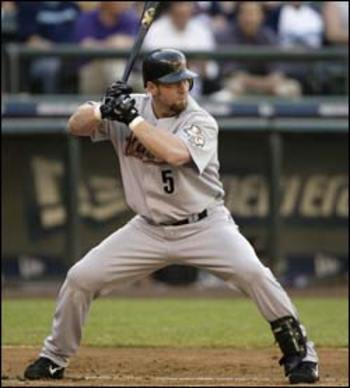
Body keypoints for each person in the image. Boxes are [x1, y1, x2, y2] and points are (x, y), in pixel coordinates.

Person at [23, 48, 319, 385]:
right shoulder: (128, 106)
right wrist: (101, 109)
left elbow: (176, 154)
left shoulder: (199, 119)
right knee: (80, 278)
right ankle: (54, 357)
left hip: (205, 225)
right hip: (146, 230)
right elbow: (74, 126)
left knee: (255, 274)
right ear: (151, 88)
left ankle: (302, 354)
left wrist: (130, 119)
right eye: (173, 83)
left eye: (185, 81)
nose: (183, 89)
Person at [214, 2, 301, 99]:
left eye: (254, 13)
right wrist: (265, 83)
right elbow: (234, 75)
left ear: (262, 16)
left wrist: (265, 83)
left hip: (266, 86)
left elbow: (277, 74)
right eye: (246, 13)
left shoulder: (268, 36)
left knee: (291, 87)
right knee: (233, 86)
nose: (250, 18)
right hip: (242, 87)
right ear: (238, 15)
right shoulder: (225, 36)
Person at [73, 1, 139, 94]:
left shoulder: (129, 17)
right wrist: (111, 43)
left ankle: (120, 98)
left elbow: (131, 43)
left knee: (116, 65)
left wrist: (101, 44)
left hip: (123, 66)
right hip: (92, 66)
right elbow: (87, 45)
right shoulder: (88, 17)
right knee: (108, 65)